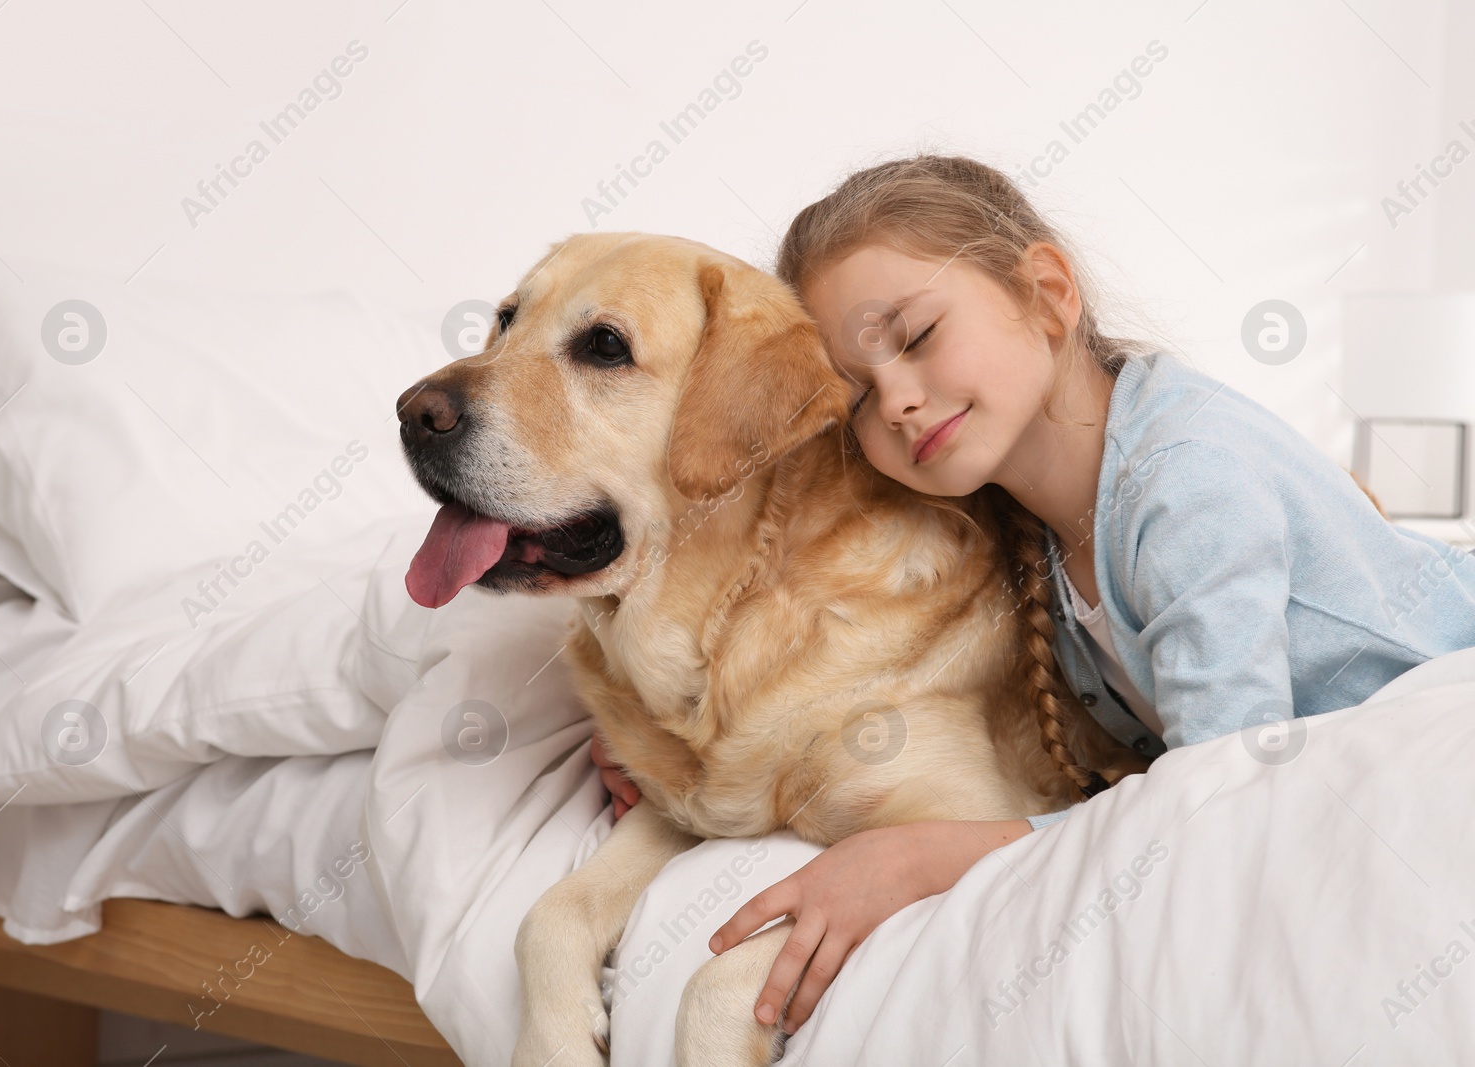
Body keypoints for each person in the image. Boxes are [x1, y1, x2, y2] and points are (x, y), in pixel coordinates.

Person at [590, 153, 1475, 1038]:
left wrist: (923, 857)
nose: (895, 399)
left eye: (919, 335)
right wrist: (656, 732)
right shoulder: (1029, 532)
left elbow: (1218, 800)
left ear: (1049, 293)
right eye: (856, 393)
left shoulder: (1184, 484)